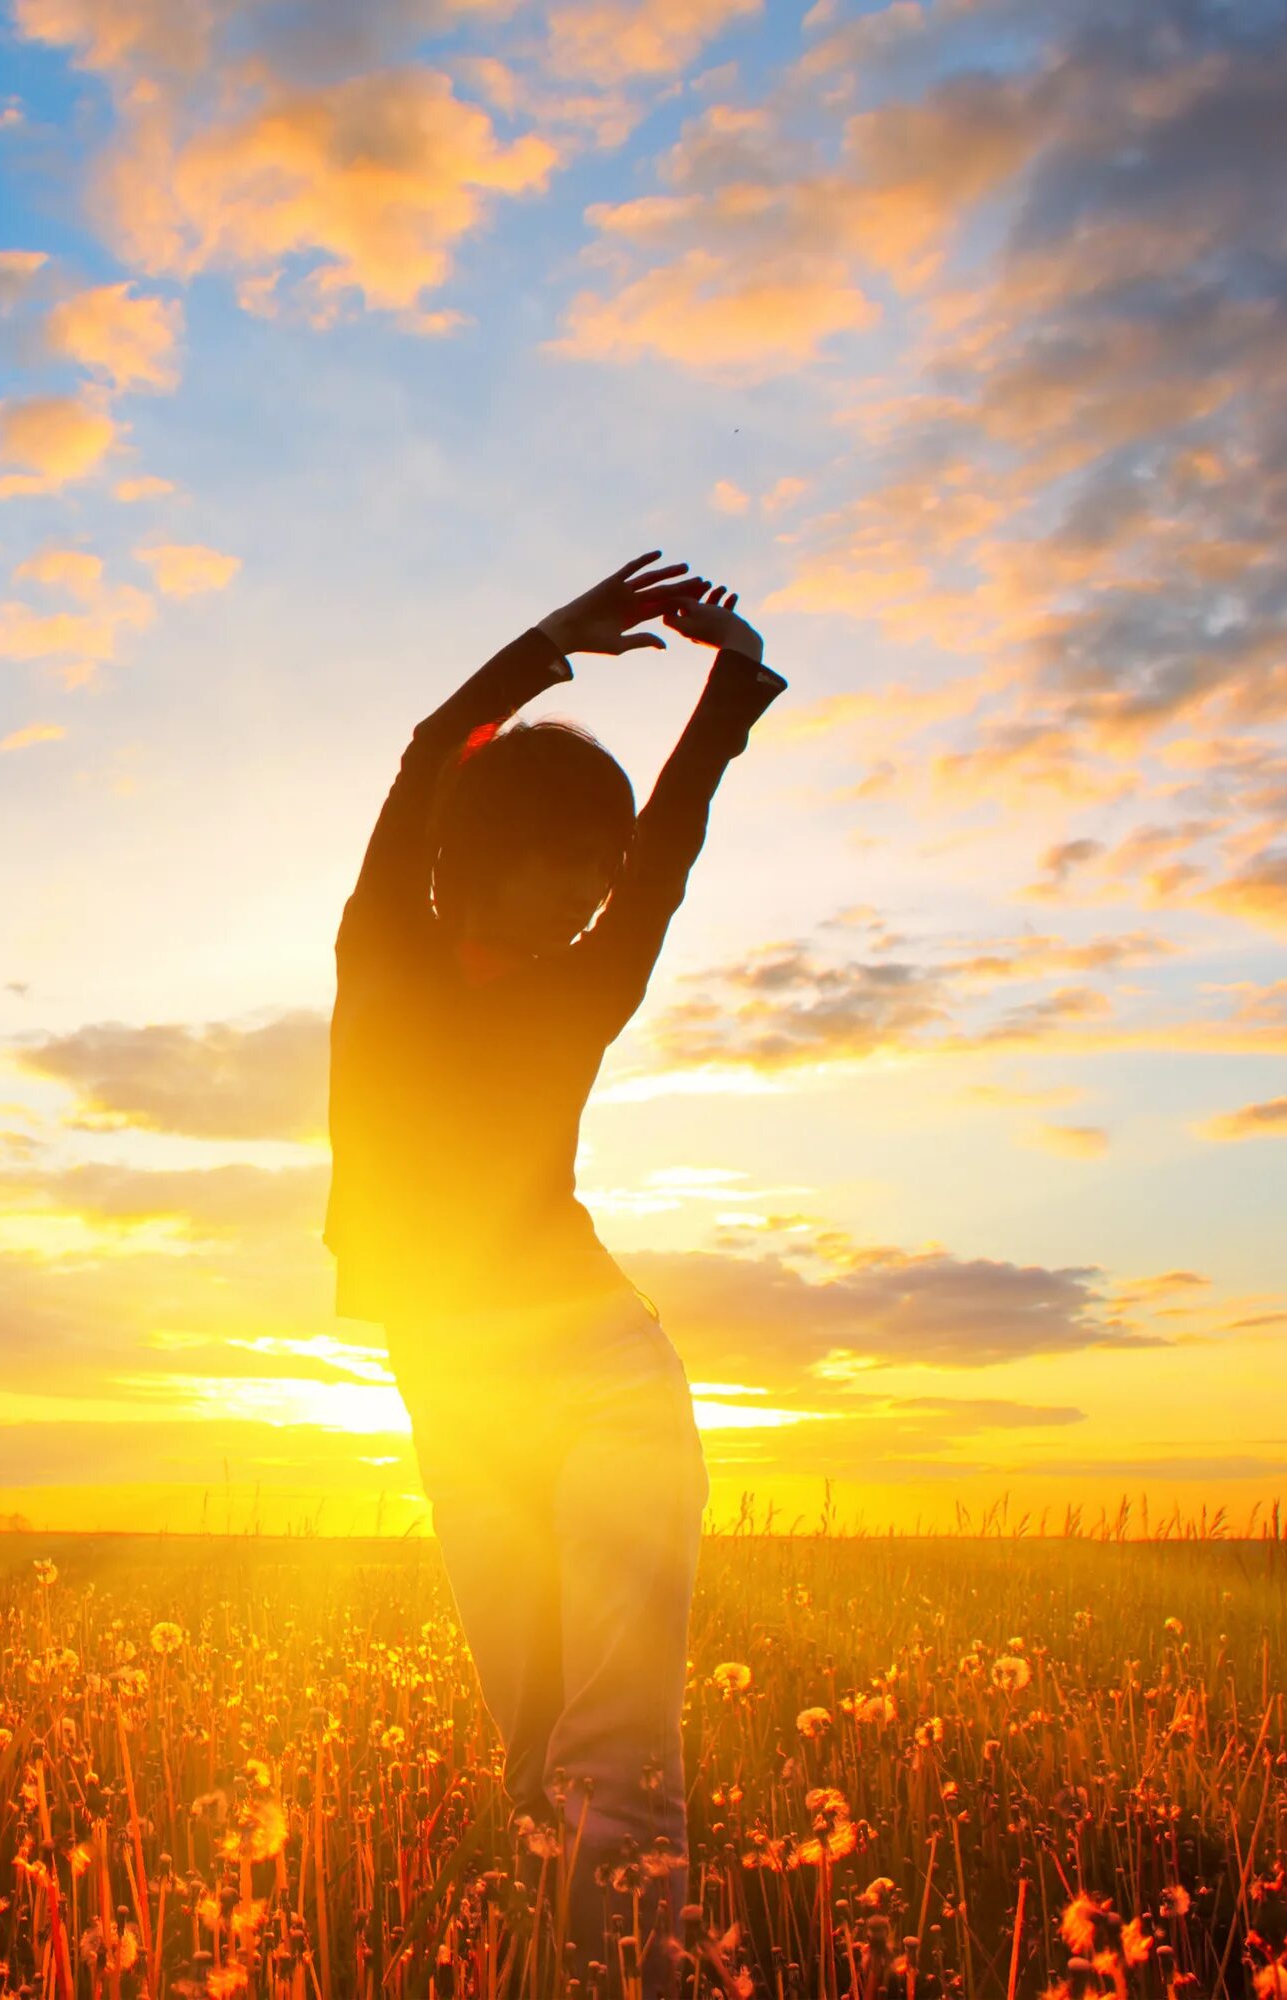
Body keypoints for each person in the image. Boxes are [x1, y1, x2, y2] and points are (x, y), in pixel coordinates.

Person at [324, 553, 785, 1994]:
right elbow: (424, 762)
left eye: (602, 867)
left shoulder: (594, 979)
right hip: (460, 1402)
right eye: (565, 859)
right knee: (537, 1764)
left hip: (605, 1385)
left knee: (617, 1763)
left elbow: (672, 846)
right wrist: (543, 646)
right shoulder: (384, 947)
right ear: (480, 849)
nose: (595, 891)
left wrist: (732, 685)